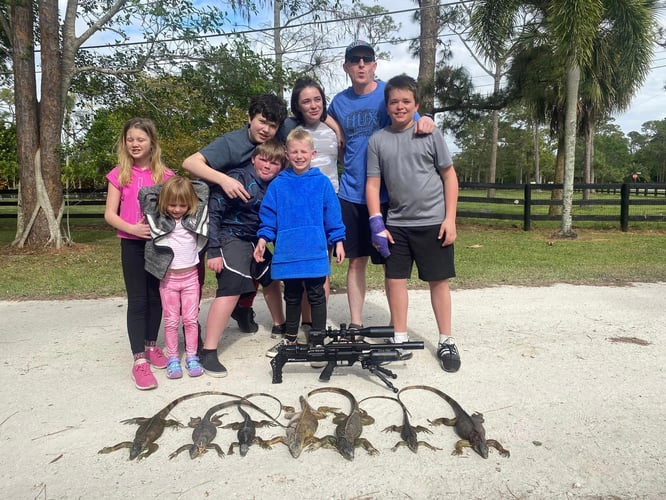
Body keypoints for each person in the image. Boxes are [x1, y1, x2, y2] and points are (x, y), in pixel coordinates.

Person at [327, 40, 435, 332]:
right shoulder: (338, 102)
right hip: (351, 192)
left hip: (390, 195)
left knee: (393, 265)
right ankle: (356, 324)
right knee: (355, 262)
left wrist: (426, 120)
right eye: (354, 60)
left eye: (366, 59)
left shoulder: (388, 94)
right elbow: (324, 127)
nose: (361, 64)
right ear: (347, 66)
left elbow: (414, 117)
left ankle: (395, 325)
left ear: (374, 65)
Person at [366, 75, 461, 373]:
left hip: (434, 222)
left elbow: (449, 176)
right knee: (394, 280)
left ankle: (446, 339)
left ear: (416, 105)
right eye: (394, 101)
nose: (400, 106)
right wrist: (376, 223)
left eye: (406, 101)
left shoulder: (430, 135)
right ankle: (399, 337)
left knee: (438, 281)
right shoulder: (377, 140)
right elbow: (372, 185)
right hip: (397, 225)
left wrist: (450, 219)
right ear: (386, 106)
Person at [182, 94, 288, 334]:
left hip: (252, 222)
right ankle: (192, 327)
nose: (266, 129)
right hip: (215, 215)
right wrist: (223, 179)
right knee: (204, 274)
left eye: (272, 125)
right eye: (262, 121)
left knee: (260, 269)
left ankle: (243, 309)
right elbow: (190, 163)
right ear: (249, 118)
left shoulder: (274, 144)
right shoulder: (231, 143)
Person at [199, 140, 287, 376]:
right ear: (253, 158)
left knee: (271, 276)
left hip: (256, 239)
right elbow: (214, 213)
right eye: (263, 159)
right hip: (230, 236)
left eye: (274, 162)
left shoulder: (278, 185)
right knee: (232, 285)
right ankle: (208, 351)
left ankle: (279, 324)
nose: (267, 165)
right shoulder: (237, 178)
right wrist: (214, 249)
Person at [253, 129, 345, 355]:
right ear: (286, 154)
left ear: (313, 154)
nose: (299, 156)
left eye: (304, 151)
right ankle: (290, 340)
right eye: (294, 151)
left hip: (314, 250)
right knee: (292, 296)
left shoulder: (322, 183)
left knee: (317, 295)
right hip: (288, 252)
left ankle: (317, 341)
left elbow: (332, 215)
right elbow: (269, 216)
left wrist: (339, 241)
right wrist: (263, 239)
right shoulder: (278, 184)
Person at [104, 117, 175, 390]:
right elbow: (110, 214)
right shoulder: (119, 174)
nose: (135, 144)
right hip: (131, 244)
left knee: (156, 297)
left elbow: (176, 209)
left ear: (152, 143)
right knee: (137, 300)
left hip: (158, 245)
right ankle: (139, 361)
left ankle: (151, 345)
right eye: (130, 139)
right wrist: (133, 229)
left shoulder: (165, 176)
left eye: (140, 139)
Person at [138, 176, 209, 379]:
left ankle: (192, 356)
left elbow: (202, 187)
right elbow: (144, 193)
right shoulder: (160, 219)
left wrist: (181, 185)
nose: (177, 209)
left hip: (190, 279)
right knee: (170, 321)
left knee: (190, 319)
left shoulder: (194, 218)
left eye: (182, 204)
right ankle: (173, 359)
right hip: (168, 280)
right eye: (172, 204)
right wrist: (169, 187)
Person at [288, 76, 340, 338]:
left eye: (317, 99)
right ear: (297, 106)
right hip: (300, 206)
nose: (313, 105)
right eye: (306, 101)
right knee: (301, 265)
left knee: (322, 265)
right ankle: (306, 322)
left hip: (328, 202)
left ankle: (316, 324)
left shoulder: (333, 127)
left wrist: (337, 129)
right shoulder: (291, 128)